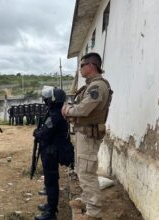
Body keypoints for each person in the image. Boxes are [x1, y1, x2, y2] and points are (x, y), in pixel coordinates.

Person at [61, 52, 113, 220]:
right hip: (84, 134)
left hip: (88, 135)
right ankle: (86, 199)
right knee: (82, 169)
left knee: (87, 172)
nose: (80, 69)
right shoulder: (92, 85)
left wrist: (68, 110)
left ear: (91, 66)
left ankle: (93, 212)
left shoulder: (97, 86)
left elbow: (84, 109)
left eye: (82, 65)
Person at [33, 87, 70, 220]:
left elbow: (45, 133)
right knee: (50, 181)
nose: (45, 101)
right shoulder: (55, 112)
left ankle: (51, 212)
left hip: (51, 153)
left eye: (47, 99)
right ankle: (50, 206)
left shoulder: (55, 116)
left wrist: (36, 133)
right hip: (50, 152)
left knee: (51, 182)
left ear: (53, 100)